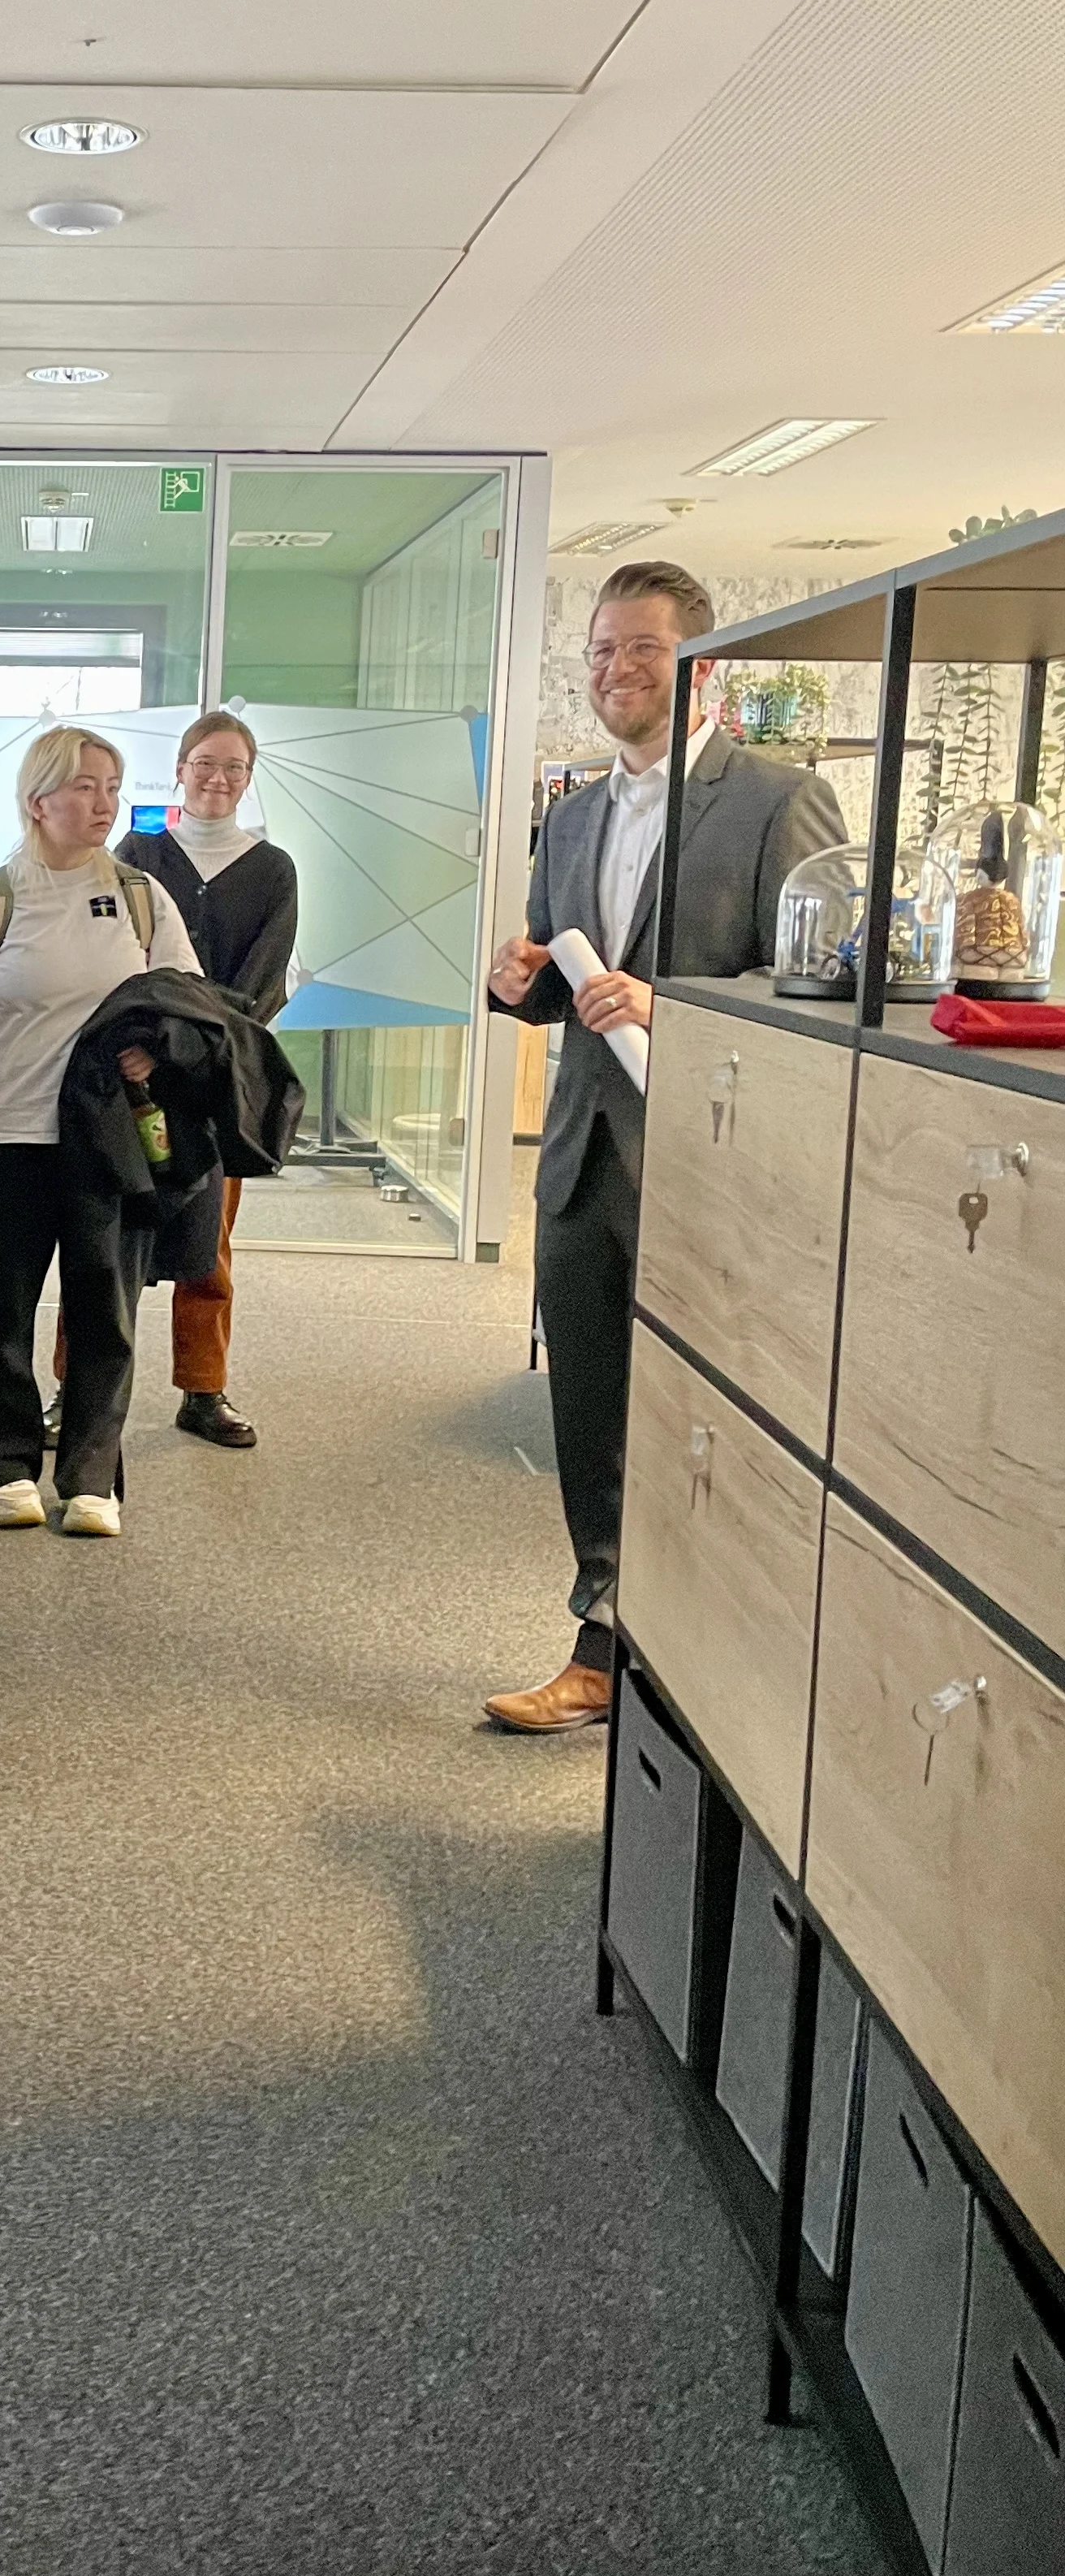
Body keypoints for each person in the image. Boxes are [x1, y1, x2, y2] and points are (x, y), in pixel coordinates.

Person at [485, 562, 843, 1731]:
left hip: (714, 1167)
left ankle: (717, 1659)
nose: (615, 671)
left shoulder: (778, 799)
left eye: (641, 648)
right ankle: (604, 1636)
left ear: (701, 667)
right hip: (586, 1159)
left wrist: (670, 1010)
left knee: (710, 1421)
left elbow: (820, 992)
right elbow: (567, 978)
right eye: (598, 650)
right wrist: (521, 986)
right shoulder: (576, 811)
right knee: (591, 1412)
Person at [0, 726, 198, 1540]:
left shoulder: (138, 897)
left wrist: (154, 1052)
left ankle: (93, 1476)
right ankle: (7, 1465)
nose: (105, 803)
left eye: (113, 785)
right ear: (38, 801)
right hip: (9, 1132)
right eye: (86, 786)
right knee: (2, 1309)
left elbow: (191, 1005)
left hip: (108, 1138)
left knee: (105, 1307)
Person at [101, 711, 298, 1451]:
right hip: (136, 1072)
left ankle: (203, 1390)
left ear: (250, 778)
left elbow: (264, 980)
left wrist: (195, 1051)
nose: (219, 779)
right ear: (180, 770)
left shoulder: (273, 869)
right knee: (106, 1234)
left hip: (219, 1078)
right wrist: (148, 1047)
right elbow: (120, 958)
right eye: (205, 764)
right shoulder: (138, 855)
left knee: (210, 1241)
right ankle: (76, 1386)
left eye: (234, 768)